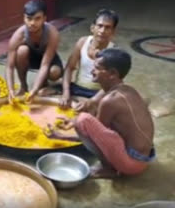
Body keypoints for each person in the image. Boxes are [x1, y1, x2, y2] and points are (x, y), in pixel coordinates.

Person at [46, 48, 155, 178]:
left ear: (112, 73)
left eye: (97, 68)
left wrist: (62, 135)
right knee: (87, 118)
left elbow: (96, 137)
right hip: (144, 157)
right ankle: (114, 164)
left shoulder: (110, 101)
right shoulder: (127, 89)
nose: (92, 71)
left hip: (132, 164)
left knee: (83, 120)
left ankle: (108, 169)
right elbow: (97, 104)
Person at [5, 0, 63, 103]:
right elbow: (9, 66)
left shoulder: (52, 33)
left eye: (37, 19)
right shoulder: (19, 35)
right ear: (24, 18)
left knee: (55, 72)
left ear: (44, 18)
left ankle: (44, 85)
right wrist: (11, 90)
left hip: (48, 59)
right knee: (21, 51)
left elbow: (45, 64)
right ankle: (23, 86)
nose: (32, 23)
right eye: (29, 18)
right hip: (30, 58)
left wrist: (34, 90)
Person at [60, 9, 119, 107]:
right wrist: (66, 92)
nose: (102, 31)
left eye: (107, 28)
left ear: (113, 32)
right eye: (100, 26)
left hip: (98, 93)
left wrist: (92, 101)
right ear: (93, 28)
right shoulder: (82, 42)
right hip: (77, 88)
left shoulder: (114, 51)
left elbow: (113, 83)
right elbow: (69, 68)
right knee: (44, 93)